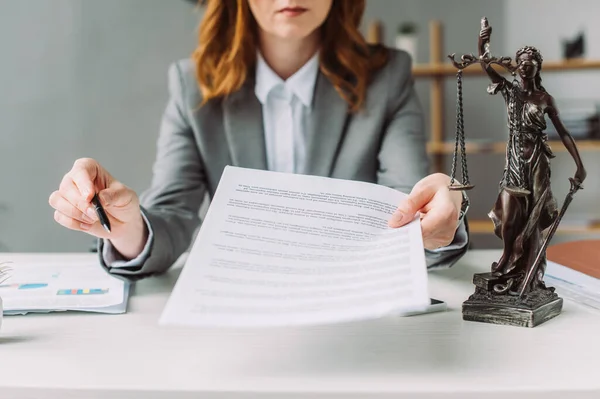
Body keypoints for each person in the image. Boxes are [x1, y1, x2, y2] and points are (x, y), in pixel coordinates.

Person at [48, 0, 469, 280]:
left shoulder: (387, 76)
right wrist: (126, 227)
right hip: (237, 314)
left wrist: (435, 219)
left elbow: (408, 204)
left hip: (353, 305)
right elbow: (172, 213)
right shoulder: (193, 86)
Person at [478, 21, 586, 293]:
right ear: (516, 65)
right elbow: (485, 65)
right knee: (510, 215)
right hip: (514, 161)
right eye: (521, 61)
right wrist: (483, 42)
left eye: (531, 61)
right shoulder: (509, 90)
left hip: (537, 161)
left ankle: (530, 275)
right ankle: (506, 258)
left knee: (534, 220)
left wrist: (580, 165)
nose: (525, 65)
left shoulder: (545, 98)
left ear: (538, 67)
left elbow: (564, 133)